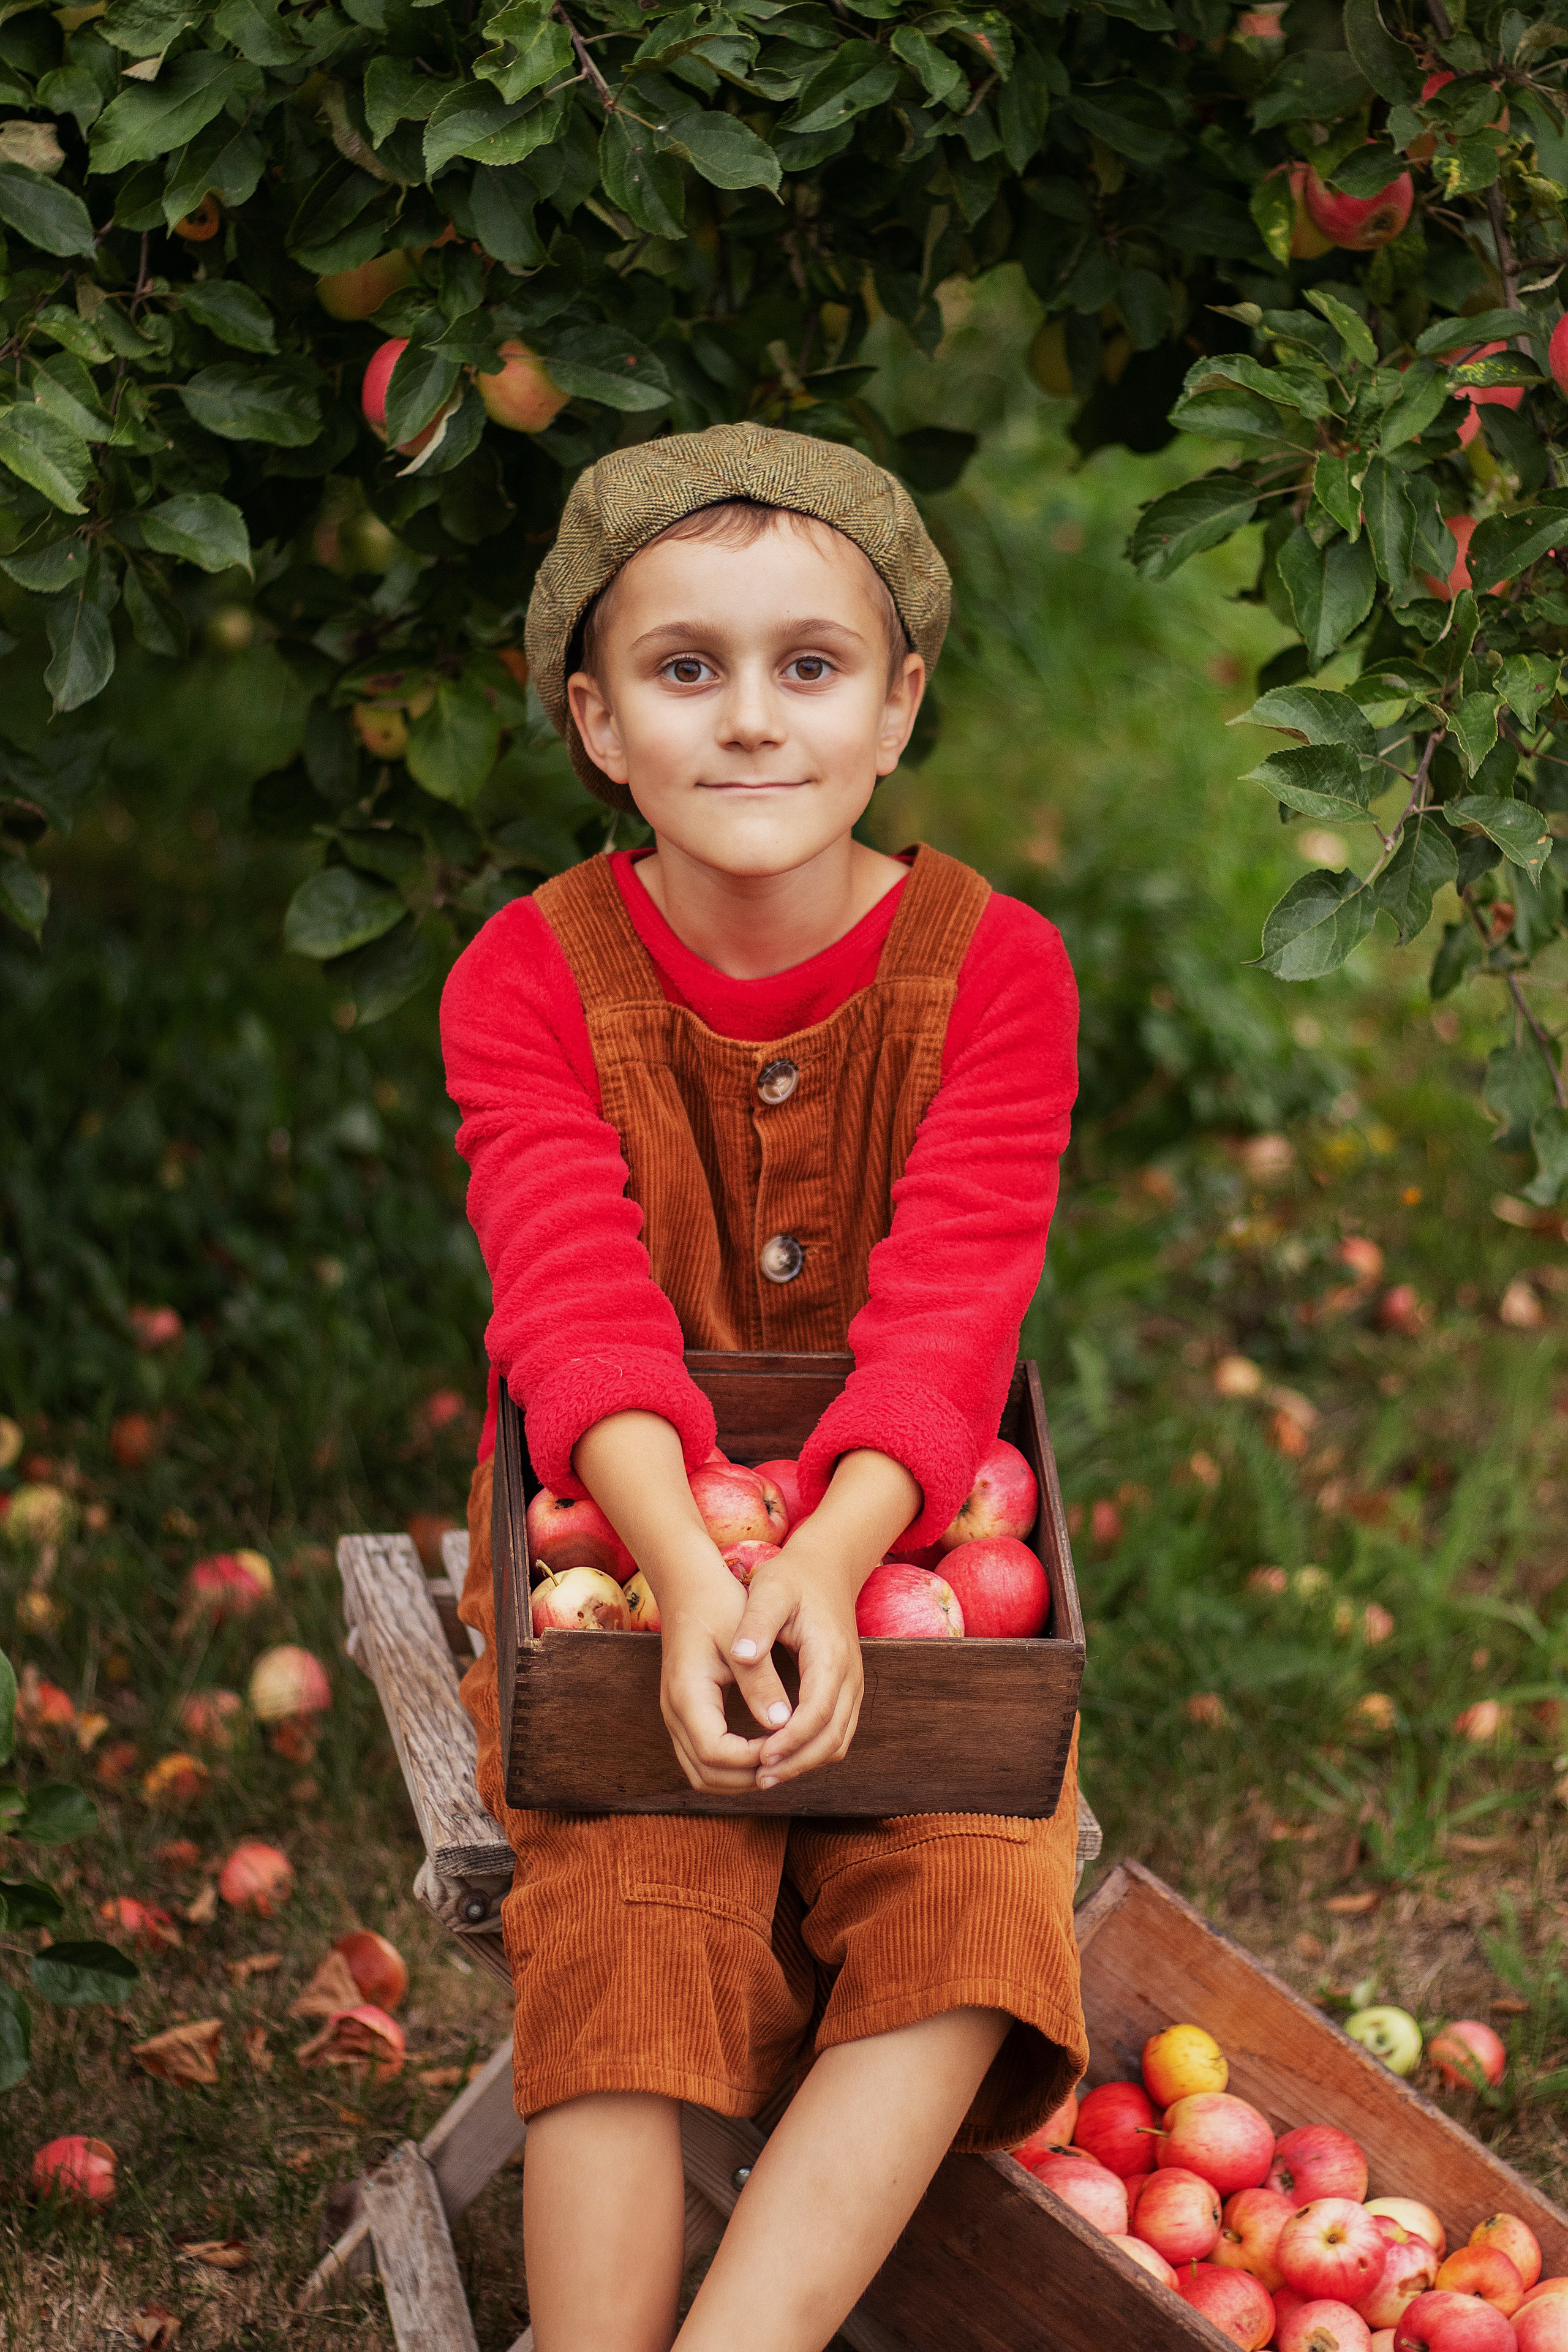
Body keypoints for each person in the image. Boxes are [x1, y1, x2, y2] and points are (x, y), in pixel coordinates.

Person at [441, 421, 1085, 2352]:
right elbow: (574, 1304)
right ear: (595, 717)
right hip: (624, 1540)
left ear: (898, 707)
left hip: (908, 1530)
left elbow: (956, 1314)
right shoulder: (526, 978)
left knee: (970, 1884)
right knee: (627, 1882)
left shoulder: (999, 972)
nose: (747, 719)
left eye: (810, 665)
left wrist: (823, 1562)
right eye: (682, 667)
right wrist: (690, 1571)